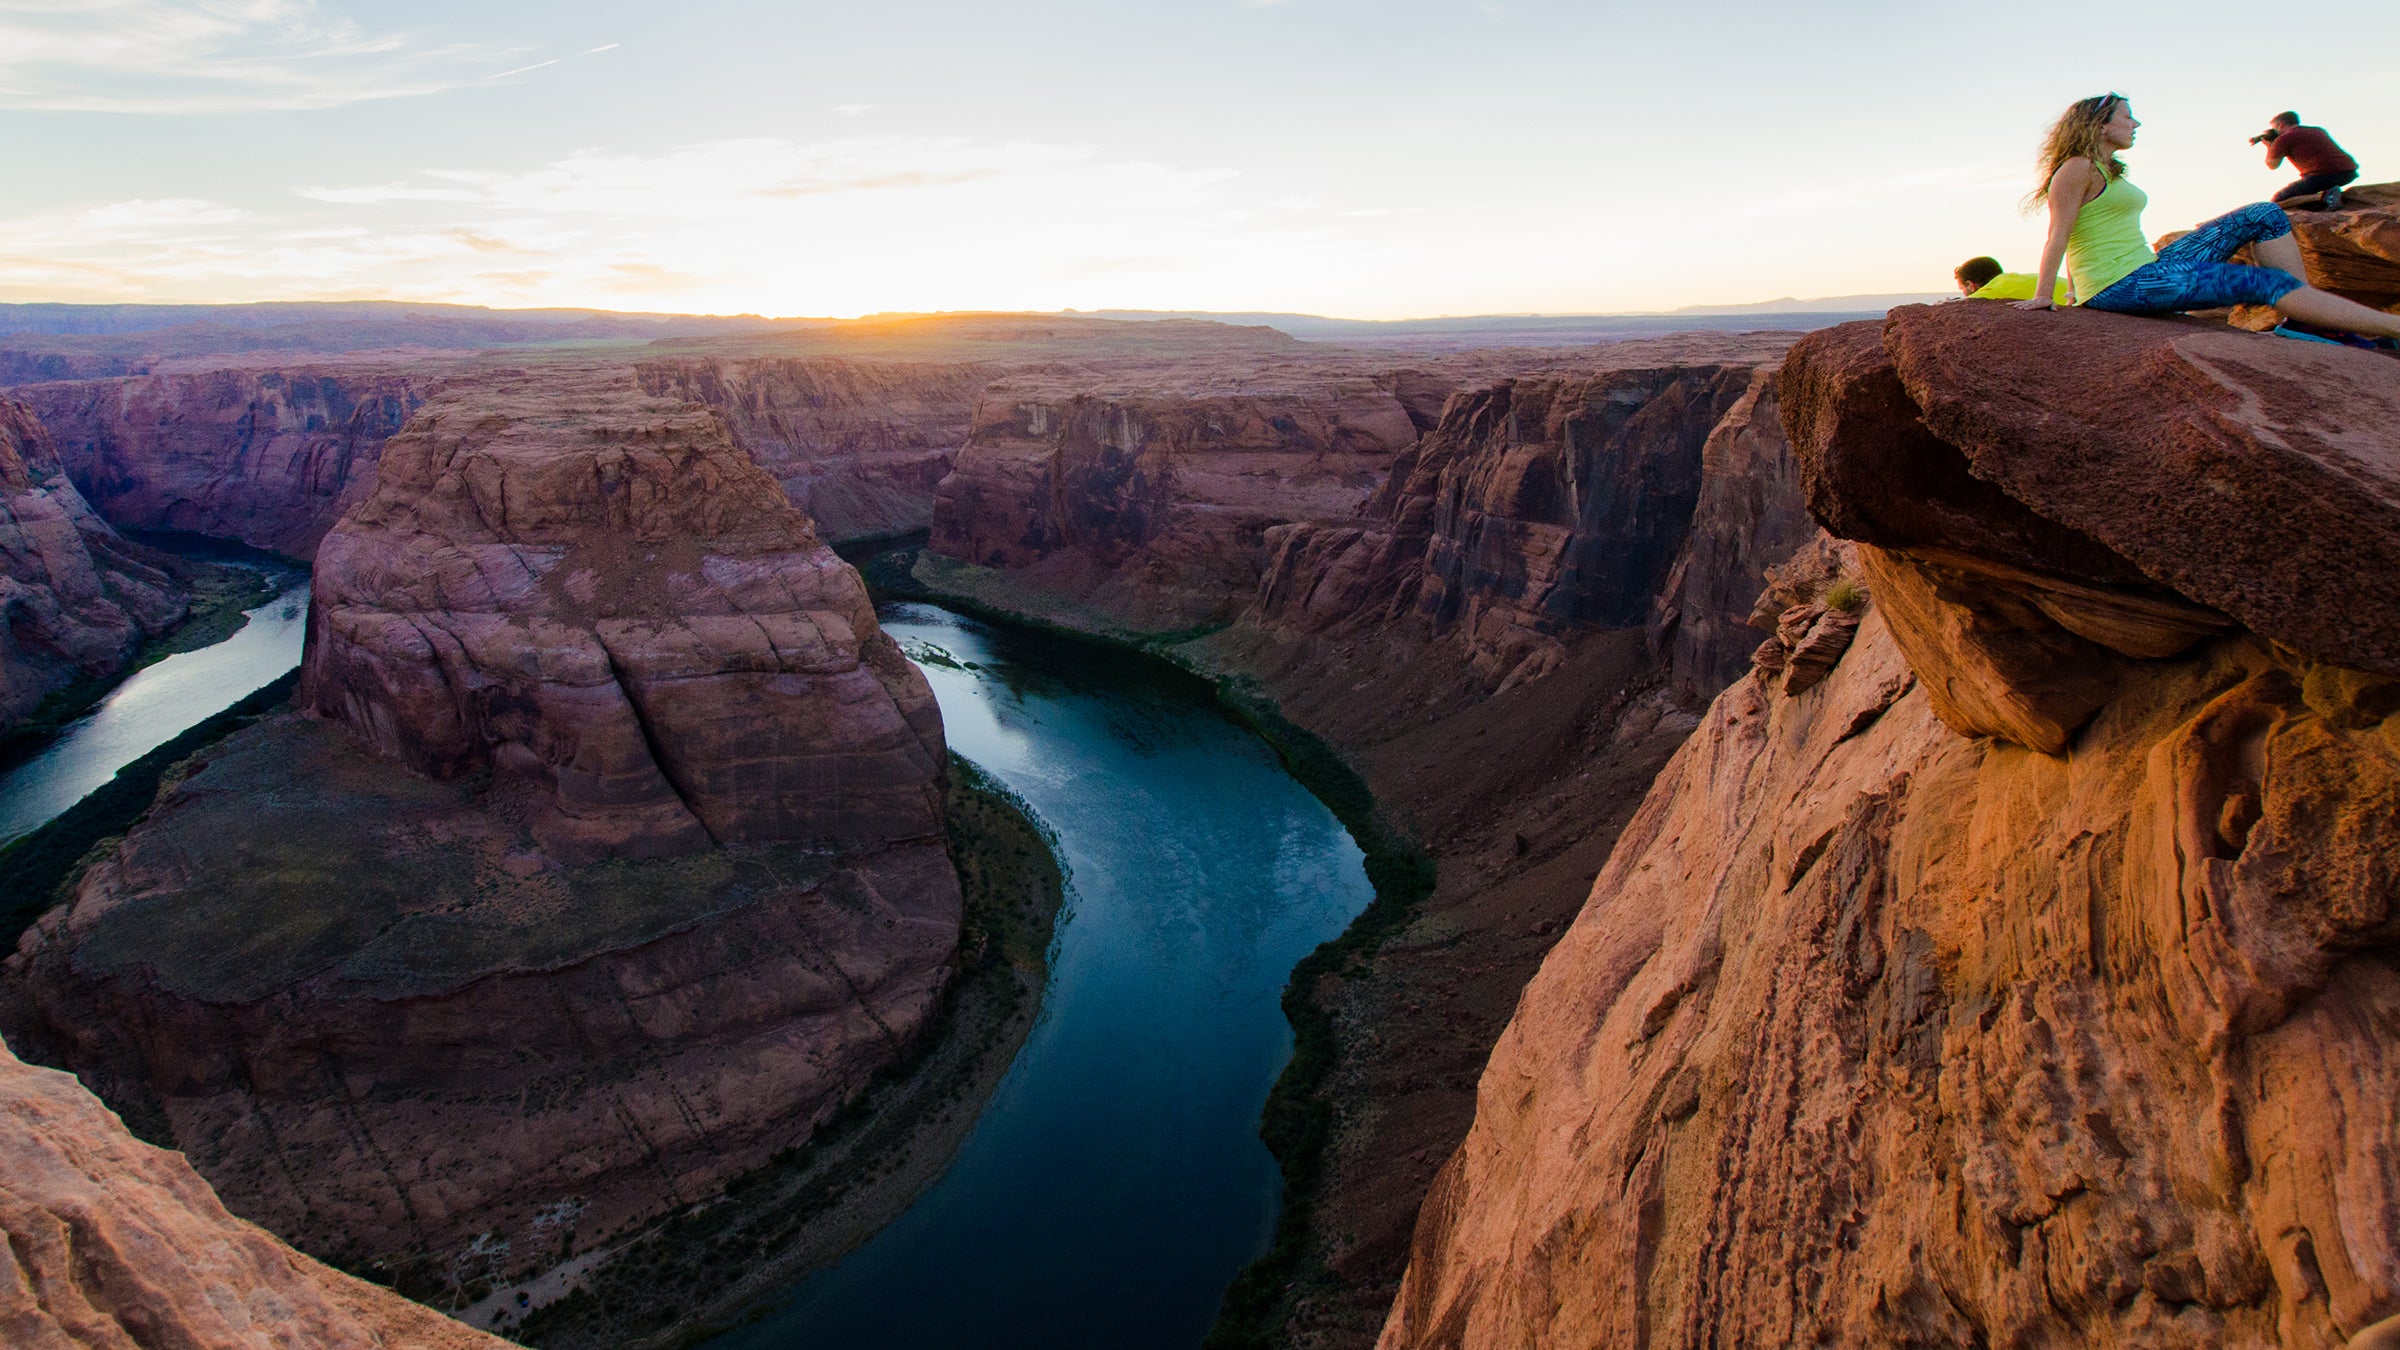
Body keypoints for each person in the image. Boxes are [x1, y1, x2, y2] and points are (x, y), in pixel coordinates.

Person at [2018, 93, 2400, 341]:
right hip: (2122, 284)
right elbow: (2060, 234)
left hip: (2148, 267)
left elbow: (2086, 230)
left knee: (2264, 213)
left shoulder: (2106, 169)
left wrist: (2071, 290)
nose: (2135, 124)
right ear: (2100, 125)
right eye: (2127, 117)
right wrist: (2044, 296)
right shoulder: (2076, 167)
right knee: (2265, 281)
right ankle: (2390, 327)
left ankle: (2303, 315)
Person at [2254, 111, 2358, 209]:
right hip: (2348, 172)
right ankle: (2329, 194)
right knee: (2305, 189)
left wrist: (2270, 147)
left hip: (2322, 176)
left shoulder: (2284, 139)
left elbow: (2272, 165)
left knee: (2280, 198)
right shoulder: (2318, 130)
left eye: (2274, 128)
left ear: (2280, 125)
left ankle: (2326, 198)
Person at [1954, 255, 2071, 303]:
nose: (1964, 294)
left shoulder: (1992, 290)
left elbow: (1962, 305)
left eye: (1962, 288)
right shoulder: (2012, 280)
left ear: (1970, 285)